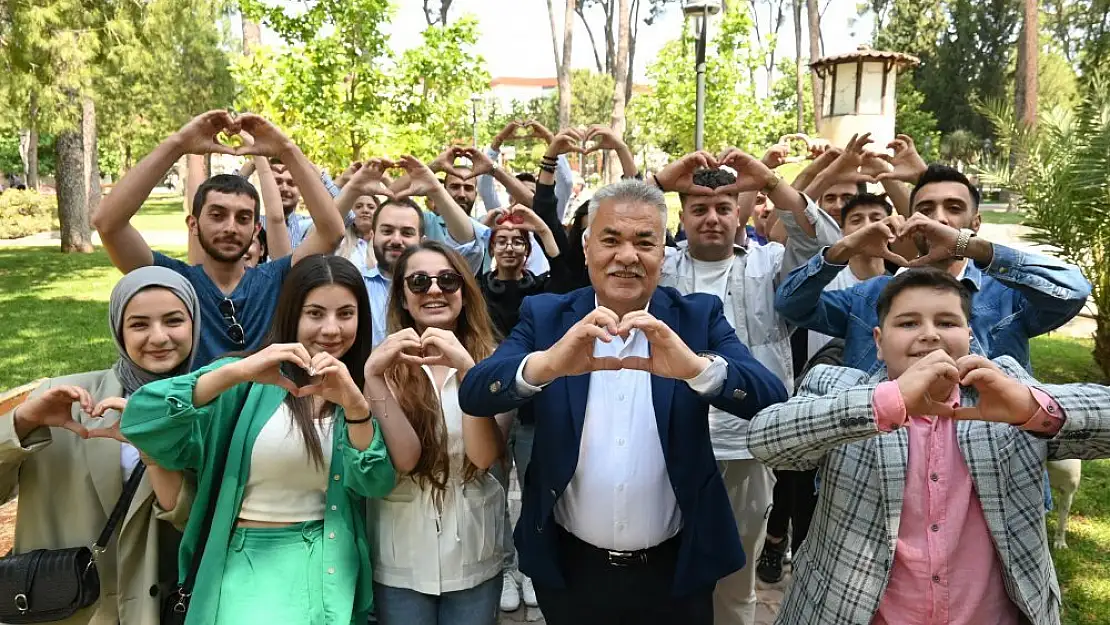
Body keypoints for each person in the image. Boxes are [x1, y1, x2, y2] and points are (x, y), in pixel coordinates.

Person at [457, 179, 789, 625]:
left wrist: (696, 368)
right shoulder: (547, 316)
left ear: (664, 252)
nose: (627, 256)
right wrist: (546, 365)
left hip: (677, 570)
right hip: (571, 568)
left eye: (644, 242)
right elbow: (477, 390)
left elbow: (769, 397)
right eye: (611, 239)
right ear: (588, 246)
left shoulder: (695, 317)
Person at [748, 268, 1110, 625]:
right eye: (908, 323)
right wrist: (885, 402)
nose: (930, 335)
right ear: (878, 341)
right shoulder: (837, 386)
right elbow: (766, 439)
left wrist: (1033, 409)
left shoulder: (1004, 387)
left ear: (970, 336)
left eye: (947, 323)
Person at [120, 255, 419, 625]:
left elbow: (374, 482)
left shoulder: (358, 388)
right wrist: (237, 371)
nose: (331, 329)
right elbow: (140, 418)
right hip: (244, 565)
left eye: (346, 313)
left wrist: (357, 408)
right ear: (291, 314)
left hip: (328, 565)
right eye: (315, 313)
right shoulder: (246, 379)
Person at [651, 148, 839, 625]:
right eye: (698, 208)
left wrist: (772, 182)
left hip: (748, 441)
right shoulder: (659, 266)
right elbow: (600, 234)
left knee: (736, 568)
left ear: (740, 212)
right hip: (667, 437)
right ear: (682, 214)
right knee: (663, 562)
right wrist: (657, 182)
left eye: (722, 208)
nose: (711, 217)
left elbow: (828, 246)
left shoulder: (772, 263)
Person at [0, 266, 197, 624]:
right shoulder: (63, 399)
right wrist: (23, 422)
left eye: (174, 321)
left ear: (195, 324)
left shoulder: (207, 409)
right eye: (139, 324)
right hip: (62, 608)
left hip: (156, 610)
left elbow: (200, 521)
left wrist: (155, 447)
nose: (159, 337)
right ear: (118, 330)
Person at [775, 164, 1092, 373]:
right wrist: (845, 246)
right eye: (925, 209)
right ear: (911, 222)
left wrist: (970, 246)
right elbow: (791, 304)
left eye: (954, 209)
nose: (938, 218)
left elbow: (1073, 290)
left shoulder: (1008, 295)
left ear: (975, 223)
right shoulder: (868, 296)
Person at [93, 110, 348, 369]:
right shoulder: (173, 281)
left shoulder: (277, 279)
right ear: (193, 224)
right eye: (217, 215)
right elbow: (108, 224)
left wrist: (286, 149)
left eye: (243, 218)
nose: (230, 227)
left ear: (256, 227)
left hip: (265, 409)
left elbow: (332, 232)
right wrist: (178, 144)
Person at [365, 241, 508, 625]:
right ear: (402, 297)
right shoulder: (382, 364)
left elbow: (482, 456)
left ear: (465, 291)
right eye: (418, 281)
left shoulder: (495, 360)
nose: (433, 290)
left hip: (474, 548)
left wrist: (468, 371)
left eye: (448, 280)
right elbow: (405, 459)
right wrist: (374, 379)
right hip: (400, 551)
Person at [364, 156, 486, 347]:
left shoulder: (445, 278)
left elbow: (467, 242)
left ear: (422, 241)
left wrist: (436, 190)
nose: (396, 240)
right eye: (387, 231)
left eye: (407, 232)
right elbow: (327, 233)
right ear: (371, 236)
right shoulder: (357, 286)